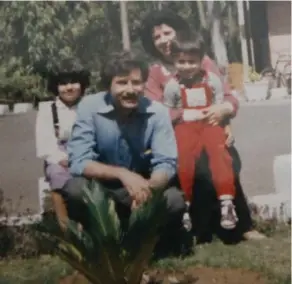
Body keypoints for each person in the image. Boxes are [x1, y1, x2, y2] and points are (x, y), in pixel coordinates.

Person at [140, 9, 266, 242]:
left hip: (211, 129)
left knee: (225, 158)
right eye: (156, 37)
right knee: (191, 165)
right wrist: (188, 114)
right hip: (177, 134)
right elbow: (157, 111)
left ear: (179, 32)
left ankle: (242, 225)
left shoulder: (203, 61)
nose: (163, 40)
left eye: (167, 32)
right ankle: (199, 227)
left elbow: (227, 97)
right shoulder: (155, 73)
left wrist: (223, 113)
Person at [63, 50, 186, 255]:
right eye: (122, 82)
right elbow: (78, 161)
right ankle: (98, 245)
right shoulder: (89, 107)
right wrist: (122, 174)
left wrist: (148, 188)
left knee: (174, 200)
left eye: (136, 83)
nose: (131, 90)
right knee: (75, 189)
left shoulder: (158, 112)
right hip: (103, 189)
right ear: (108, 85)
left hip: (142, 187)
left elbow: (166, 162)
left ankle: (151, 248)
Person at [164, 35, 237, 230]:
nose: (186, 66)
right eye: (181, 61)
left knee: (219, 153)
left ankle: (226, 202)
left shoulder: (211, 79)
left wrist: (226, 125)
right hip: (185, 126)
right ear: (174, 61)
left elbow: (220, 105)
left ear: (200, 60)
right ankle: (185, 207)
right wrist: (183, 115)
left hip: (209, 123)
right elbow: (167, 111)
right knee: (184, 158)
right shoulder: (173, 85)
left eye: (191, 61)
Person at [36, 59, 90, 228]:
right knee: (57, 175)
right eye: (63, 83)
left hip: (87, 152)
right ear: (55, 86)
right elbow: (45, 144)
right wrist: (62, 159)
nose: (69, 88)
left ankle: (92, 225)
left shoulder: (89, 107)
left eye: (74, 82)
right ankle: (66, 228)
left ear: (81, 84)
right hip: (60, 157)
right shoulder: (48, 110)